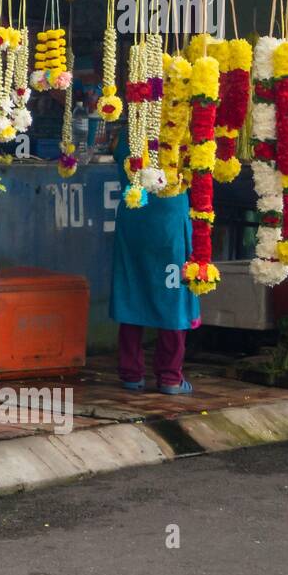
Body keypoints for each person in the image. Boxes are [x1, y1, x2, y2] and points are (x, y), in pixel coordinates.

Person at [108, 126, 199, 396]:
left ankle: (131, 374)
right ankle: (170, 376)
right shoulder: (183, 130)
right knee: (174, 296)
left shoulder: (129, 132)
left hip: (135, 224)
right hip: (169, 227)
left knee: (132, 290)